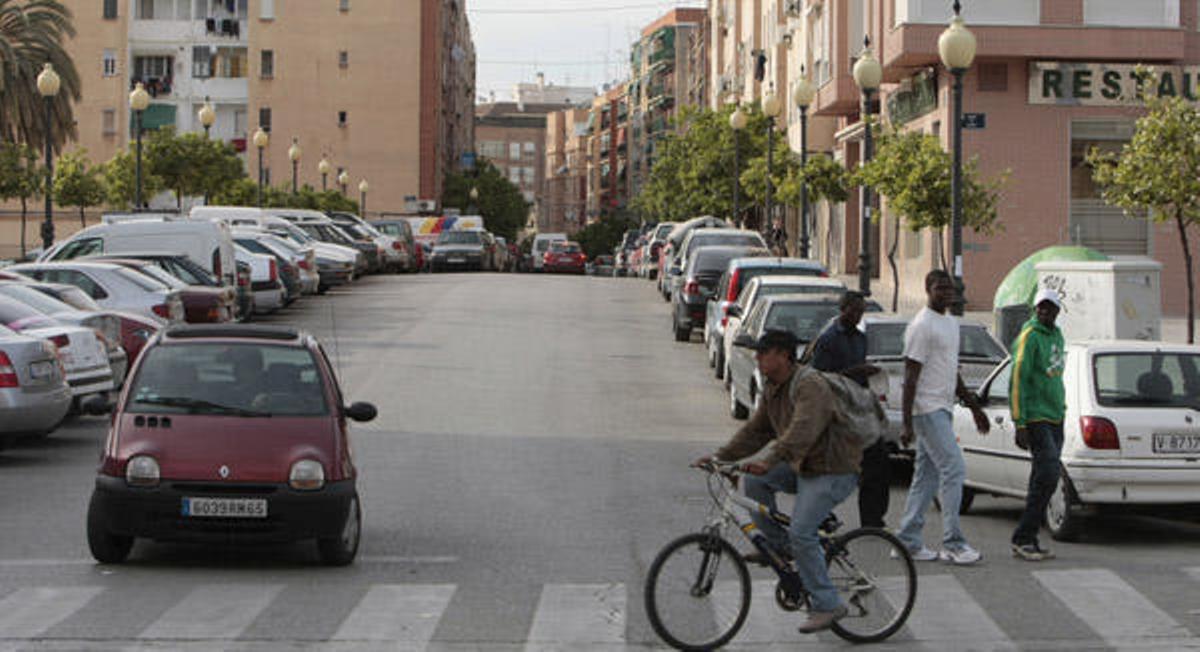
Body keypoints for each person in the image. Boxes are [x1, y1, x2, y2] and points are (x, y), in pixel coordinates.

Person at [695, 329, 863, 634]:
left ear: (784, 355)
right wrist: (721, 458)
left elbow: (803, 431)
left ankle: (828, 603)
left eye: (763, 352)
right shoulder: (773, 387)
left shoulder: (810, 385)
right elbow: (756, 432)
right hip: (804, 465)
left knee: (801, 532)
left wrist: (768, 460)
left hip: (832, 469)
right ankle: (777, 547)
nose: (757, 357)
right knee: (757, 484)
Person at [895, 270, 991, 565]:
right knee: (954, 468)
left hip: (944, 407)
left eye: (950, 288)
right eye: (940, 288)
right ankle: (953, 543)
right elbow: (910, 377)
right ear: (928, 290)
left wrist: (974, 407)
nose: (947, 293)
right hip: (927, 409)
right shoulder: (922, 326)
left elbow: (951, 371)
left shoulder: (950, 323)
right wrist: (907, 422)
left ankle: (907, 540)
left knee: (927, 475)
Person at [809, 291, 890, 528]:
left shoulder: (860, 338)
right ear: (842, 309)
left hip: (859, 408)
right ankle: (820, 515)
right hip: (836, 410)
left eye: (861, 311)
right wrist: (855, 371)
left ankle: (872, 519)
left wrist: (869, 378)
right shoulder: (829, 339)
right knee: (835, 469)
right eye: (853, 311)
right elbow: (821, 379)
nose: (857, 316)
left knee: (877, 462)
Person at [1008, 287, 1066, 561]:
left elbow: (1054, 374)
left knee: (1042, 479)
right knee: (1049, 474)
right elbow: (1017, 378)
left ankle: (1028, 539)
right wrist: (1019, 421)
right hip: (1036, 416)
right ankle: (1022, 536)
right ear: (1035, 309)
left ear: (1057, 311)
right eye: (1040, 307)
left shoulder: (1057, 335)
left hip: (1056, 415)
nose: (1044, 311)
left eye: (1049, 307)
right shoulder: (1028, 336)